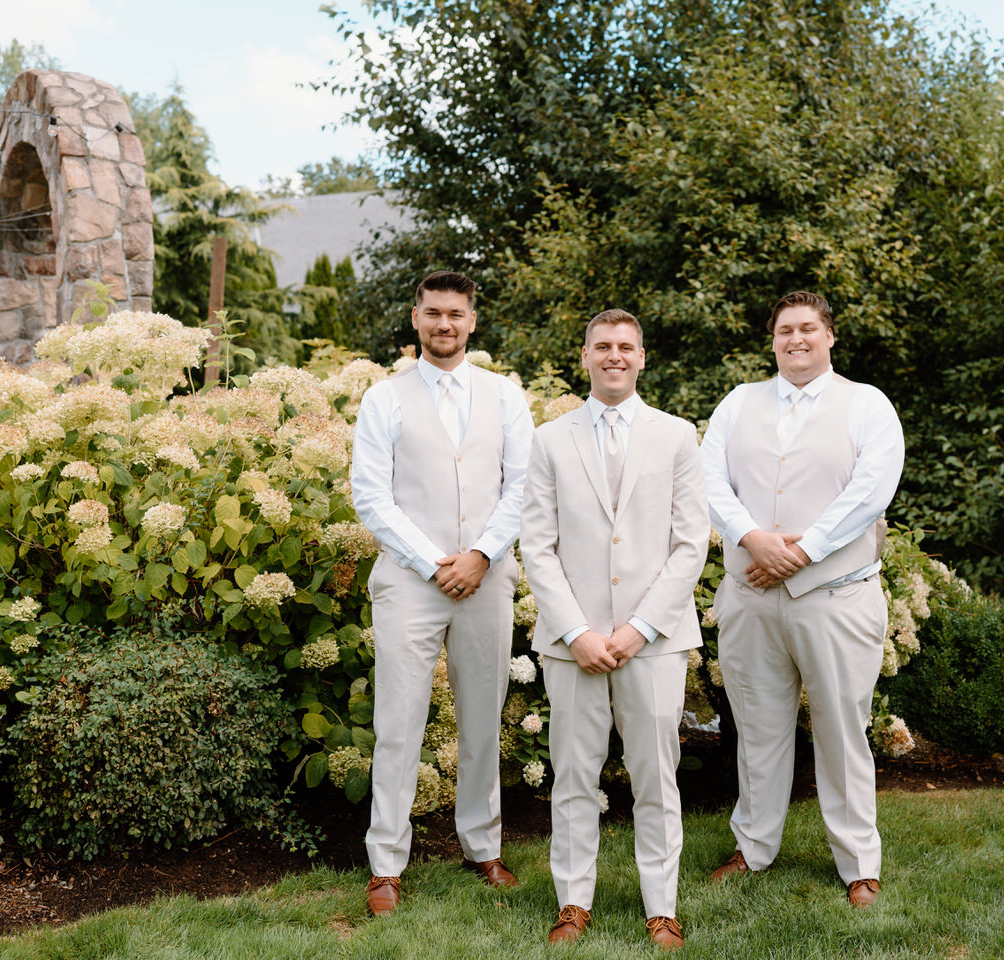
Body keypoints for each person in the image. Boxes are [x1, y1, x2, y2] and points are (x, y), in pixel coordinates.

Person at [700, 290, 904, 908]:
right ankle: (754, 846)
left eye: (809, 329)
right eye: (786, 330)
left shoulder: (867, 405)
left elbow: (871, 489)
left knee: (844, 730)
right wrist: (754, 540)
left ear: (829, 337)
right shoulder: (739, 403)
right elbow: (709, 480)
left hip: (836, 600)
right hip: (751, 598)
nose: (797, 339)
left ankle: (859, 864)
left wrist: (803, 551)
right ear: (773, 340)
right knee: (757, 729)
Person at [520, 309, 709, 950]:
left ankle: (662, 906)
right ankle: (574, 901)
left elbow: (689, 546)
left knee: (657, 775)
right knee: (574, 775)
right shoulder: (549, 440)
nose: (614, 356)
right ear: (585, 355)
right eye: (603, 346)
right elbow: (536, 547)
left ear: (643, 356)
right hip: (572, 645)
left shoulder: (679, 436)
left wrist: (642, 628)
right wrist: (576, 631)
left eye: (626, 347)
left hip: (655, 641)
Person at [350, 270, 533, 916]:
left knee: (484, 719)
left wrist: (481, 555)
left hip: (486, 579)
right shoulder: (385, 399)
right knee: (398, 721)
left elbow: (522, 487)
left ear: (472, 320)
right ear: (416, 317)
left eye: (455, 314)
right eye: (433, 313)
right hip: (409, 582)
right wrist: (435, 563)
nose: (444, 324)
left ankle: (483, 848)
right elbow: (371, 495)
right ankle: (386, 865)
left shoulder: (506, 396)